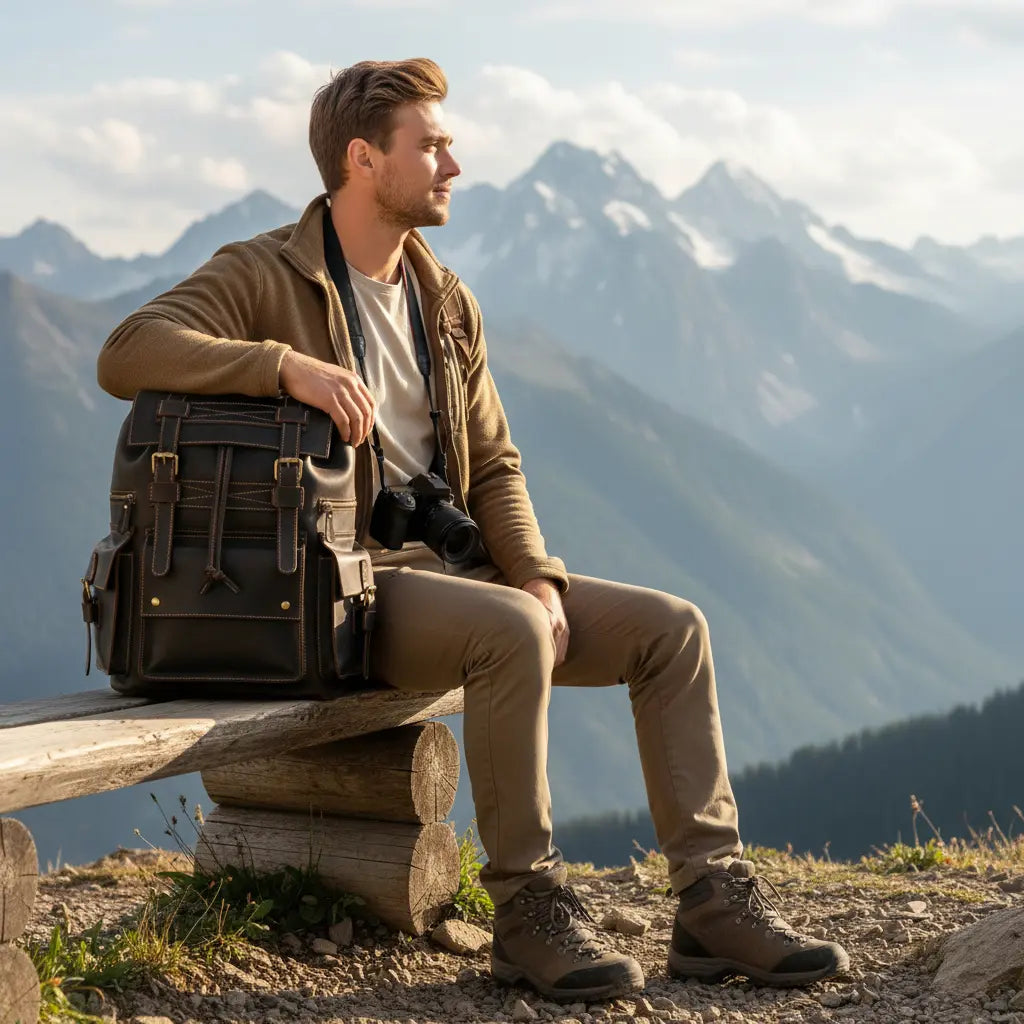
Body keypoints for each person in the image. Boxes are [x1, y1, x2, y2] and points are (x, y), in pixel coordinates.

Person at [97, 57, 849, 1002]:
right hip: (337, 589)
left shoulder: (444, 300)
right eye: (433, 144)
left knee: (672, 629)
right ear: (364, 159)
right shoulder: (264, 272)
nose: (453, 164)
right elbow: (125, 352)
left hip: (448, 573)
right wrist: (285, 366)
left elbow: (494, 464)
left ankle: (711, 902)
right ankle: (526, 907)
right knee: (511, 634)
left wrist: (536, 571)